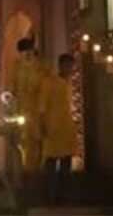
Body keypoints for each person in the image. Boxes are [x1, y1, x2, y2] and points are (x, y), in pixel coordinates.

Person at [39, 53, 77, 204]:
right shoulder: (49, 82)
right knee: (51, 161)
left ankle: (63, 195)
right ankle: (50, 196)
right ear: (61, 65)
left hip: (66, 127)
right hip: (52, 126)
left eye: (71, 66)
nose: (70, 69)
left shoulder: (68, 83)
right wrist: (42, 124)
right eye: (68, 65)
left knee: (66, 162)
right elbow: (42, 106)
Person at [8, 37, 45, 171]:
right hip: (22, 109)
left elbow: (44, 87)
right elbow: (12, 87)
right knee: (22, 140)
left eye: (29, 51)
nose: (27, 54)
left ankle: (37, 169)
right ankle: (24, 169)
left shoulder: (40, 67)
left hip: (37, 109)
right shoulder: (17, 66)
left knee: (37, 139)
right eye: (24, 52)